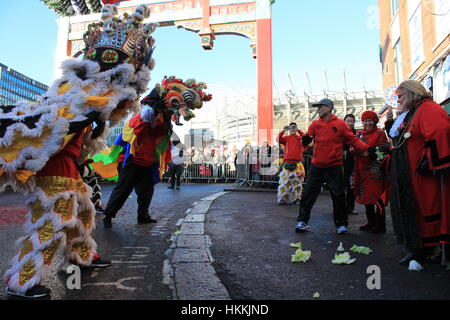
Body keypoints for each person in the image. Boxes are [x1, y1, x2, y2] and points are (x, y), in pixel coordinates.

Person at [384, 80, 450, 266]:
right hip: (410, 175)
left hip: (421, 176)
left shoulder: (428, 109)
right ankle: (419, 248)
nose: (398, 100)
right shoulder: (412, 113)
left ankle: (426, 249)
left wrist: (430, 162)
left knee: (427, 210)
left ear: (413, 93)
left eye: (401, 96)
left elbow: (440, 131)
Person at [295, 98, 371, 234]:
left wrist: (367, 148)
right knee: (307, 194)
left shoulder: (340, 124)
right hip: (316, 165)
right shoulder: (315, 124)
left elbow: (353, 140)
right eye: (317, 107)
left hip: (334, 166)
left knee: (338, 195)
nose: (317, 109)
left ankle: (341, 225)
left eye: (320, 107)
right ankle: (302, 221)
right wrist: (304, 140)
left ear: (329, 108)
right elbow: (306, 142)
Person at [102, 101, 171, 228]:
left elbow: (165, 135)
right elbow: (139, 122)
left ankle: (143, 216)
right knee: (123, 189)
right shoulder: (141, 119)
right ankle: (108, 216)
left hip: (149, 163)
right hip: (133, 161)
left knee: (146, 192)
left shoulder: (160, 125)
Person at [353, 111, 389, 233]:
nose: (367, 123)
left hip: (375, 170)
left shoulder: (380, 133)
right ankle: (371, 222)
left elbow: (384, 150)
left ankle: (380, 225)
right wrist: (354, 150)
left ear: (375, 122)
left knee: (377, 197)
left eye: (370, 120)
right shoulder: (359, 134)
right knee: (366, 197)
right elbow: (354, 147)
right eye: (365, 121)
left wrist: (372, 153)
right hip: (361, 170)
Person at [276, 122, 305, 205]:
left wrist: (298, 130)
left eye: (294, 127)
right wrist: (283, 131)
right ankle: (282, 198)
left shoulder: (300, 138)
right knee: (284, 182)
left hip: (297, 164)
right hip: (287, 163)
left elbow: (306, 138)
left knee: (297, 183)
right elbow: (278, 139)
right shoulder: (286, 138)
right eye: (291, 127)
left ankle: (297, 198)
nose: (292, 129)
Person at [343, 114, 357, 216]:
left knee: (351, 186)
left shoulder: (357, 133)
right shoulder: (340, 133)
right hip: (341, 164)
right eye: (348, 121)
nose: (350, 123)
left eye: (352, 121)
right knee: (341, 187)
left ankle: (350, 208)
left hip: (353, 163)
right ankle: (340, 208)